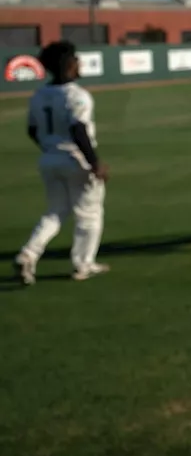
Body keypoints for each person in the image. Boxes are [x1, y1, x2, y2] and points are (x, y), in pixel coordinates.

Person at [12, 40, 111, 285]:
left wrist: (50, 148)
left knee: (55, 211)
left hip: (49, 159)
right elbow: (78, 129)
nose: (79, 63)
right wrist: (95, 162)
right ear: (68, 64)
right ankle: (83, 264)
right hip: (75, 159)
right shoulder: (77, 96)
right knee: (89, 214)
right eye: (76, 59)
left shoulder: (39, 95)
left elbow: (32, 130)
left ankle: (29, 253)